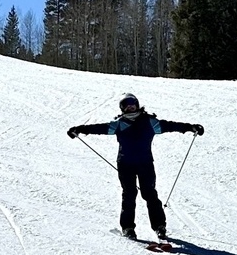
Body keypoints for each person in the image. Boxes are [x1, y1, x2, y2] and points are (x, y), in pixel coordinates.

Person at [67, 93, 203, 241]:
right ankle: (128, 228)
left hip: (145, 164)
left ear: (137, 104)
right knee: (129, 194)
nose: (130, 105)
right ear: (122, 108)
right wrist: (79, 129)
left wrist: (190, 127)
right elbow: (99, 128)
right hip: (125, 164)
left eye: (133, 102)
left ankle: (159, 227)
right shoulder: (119, 124)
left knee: (150, 193)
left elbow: (171, 125)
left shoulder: (150, 122)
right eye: (126, 103)